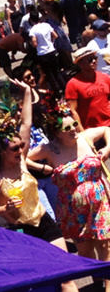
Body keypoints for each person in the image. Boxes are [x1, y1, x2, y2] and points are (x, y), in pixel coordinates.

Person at [0, 79, 79, 292]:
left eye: (21, 146)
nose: (20, 150)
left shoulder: (22, 162)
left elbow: (26, 123)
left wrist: (26, 92)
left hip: (44, 222)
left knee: (66, 276)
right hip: (19, 230)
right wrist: (5, 209)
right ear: (2, 152)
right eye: (15, 148)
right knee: (39, 282)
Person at [27, 104, 110, 278]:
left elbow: (106, 130)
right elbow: (23, 157)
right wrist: (42, 168)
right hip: (71, 208)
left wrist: (107, 148)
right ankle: (98, 279)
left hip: (99, 200)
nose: (73, 129)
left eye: (73, 125)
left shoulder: (85, 137)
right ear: (56, 133)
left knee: (105, 245)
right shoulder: (49, 149)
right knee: (85, 249)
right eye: (67, 128)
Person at [66, 49, 110, 129]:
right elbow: (73, 111)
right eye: (90, 59)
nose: (94, 61)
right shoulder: (73, 84)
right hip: (91, 130)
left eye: (95, 58)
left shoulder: (105, 77)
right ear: (79, 63)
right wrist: (82, 132)